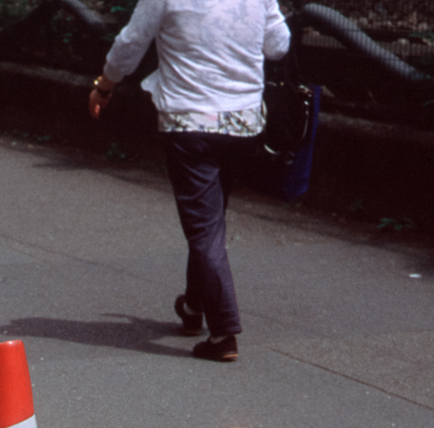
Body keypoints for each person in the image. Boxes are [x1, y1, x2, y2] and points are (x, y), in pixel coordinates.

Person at [90, 0, 290, 362]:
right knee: (211, 221)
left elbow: (132, 41)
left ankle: (224, 332)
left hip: (190, 121)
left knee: (204, 230)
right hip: (243, 124)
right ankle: (194, 306)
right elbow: (278, 45)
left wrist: (104, 85)